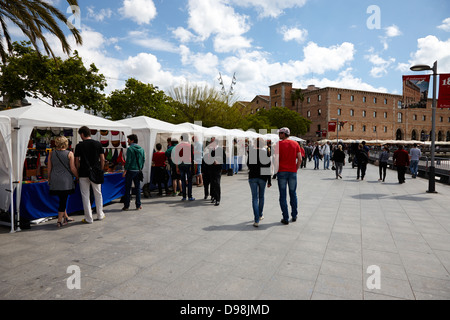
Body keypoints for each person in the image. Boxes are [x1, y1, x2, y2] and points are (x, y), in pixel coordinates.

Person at [74, 126, 105, 224]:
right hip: (96, 172)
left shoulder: (79, 146)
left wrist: (78, 171)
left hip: (83, 172)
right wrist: (101, 169)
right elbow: (102, 159)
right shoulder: (98, 144)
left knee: (85, 195)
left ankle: (88, 218)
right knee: (98, 193)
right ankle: (100, 214)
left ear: (82, 134)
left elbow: (76, 161)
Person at [48, 136, 78, 227]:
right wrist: (77, 176)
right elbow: (72, 168)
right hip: (66, 180)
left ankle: (66, 217)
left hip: (55, 178)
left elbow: (49, 167)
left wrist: (49, 178)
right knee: (63, 200)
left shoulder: (51, 153)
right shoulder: (70, 153)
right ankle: (59, 221)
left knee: (61, 198)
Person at [275, 127, 302, 225]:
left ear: (284, 134)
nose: (279, 135)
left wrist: (275, 170)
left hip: (282, 171)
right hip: (292, 172)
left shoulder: (278, 144)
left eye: (280, 133)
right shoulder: (296, 144)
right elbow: (300, 159)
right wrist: (295, 169)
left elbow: (276, 159)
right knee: (293, 194)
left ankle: (285, 217)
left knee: (282, 195)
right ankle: (294, 215)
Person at [122, 134, 146, 210]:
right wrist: (140, 168)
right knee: (138, 188)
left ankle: (126, 206)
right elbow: (143, 160)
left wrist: (125, 170)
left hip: (130, 171)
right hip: (138, 170)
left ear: (132, 140)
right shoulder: (141, 149)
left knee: (128, 188)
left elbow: (128, 161)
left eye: (128, 139)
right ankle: (138, 205)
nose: (127, 141)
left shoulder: (130, 149)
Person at [175, 133, 195, 201]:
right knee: (189, 181)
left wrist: (177, 167)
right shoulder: (190, 146)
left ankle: (184, 196)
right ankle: (190, 196)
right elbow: (192, 156)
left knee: (183, 180)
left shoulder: (178, 146)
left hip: (181, 164)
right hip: (188, 164)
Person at [207, 137, 226, 206]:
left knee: (217, 183)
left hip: (217, 169)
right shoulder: (210, 149)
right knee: (212, 183)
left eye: (211, 142)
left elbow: (224, 160)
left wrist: (218, 162)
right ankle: (213, 196)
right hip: (211, 169)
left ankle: (218, 199)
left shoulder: (221, 150)